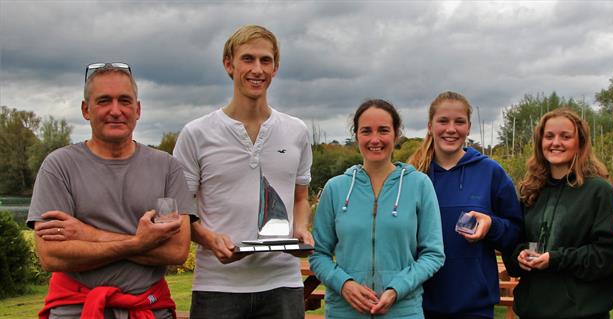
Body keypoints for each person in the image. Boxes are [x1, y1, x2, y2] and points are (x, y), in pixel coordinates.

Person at [27, 62, 194, 319]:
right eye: (104, 101)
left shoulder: (167, 167)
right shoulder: (59, 165)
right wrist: (139, 242)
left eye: (124, 101)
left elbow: (176, 251)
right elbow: (52, 255)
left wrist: (87, 234)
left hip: (149, 307)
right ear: (86, 109)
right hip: (75, 310)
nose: (115, 111)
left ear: (137, 109)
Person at [172, 25, 313, 319]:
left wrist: (300, 229)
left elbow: (301, 198)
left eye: (265, 60)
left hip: (282, 283)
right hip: (217, 286)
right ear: (229, 64)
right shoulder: (196, 134)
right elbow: (181, 212)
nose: (257, 69)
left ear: (276, 67)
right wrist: (210, 239)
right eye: (247, 59)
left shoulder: (296, 131)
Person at [310, 99, 445, 318]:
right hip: (344, 311)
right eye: (366, 131)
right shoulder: (336, 188)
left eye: (383, 130)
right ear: (356, 136)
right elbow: (318, 254)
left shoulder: (419, 185)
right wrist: (344, 284)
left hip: (402, 311)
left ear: (396, 134)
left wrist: (396, 289)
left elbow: (433, 254)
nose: (375, 139)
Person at [405, 91, 522, 319]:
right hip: (418, 302)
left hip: (474, 305)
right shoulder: (413, 175)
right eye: (443, 121)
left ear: (468, 127)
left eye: (459, 122)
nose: (451, 129)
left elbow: (516, 232)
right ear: (430, 126)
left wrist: (491, 225)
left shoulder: (490, 172)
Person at [507, 108, 613, 319]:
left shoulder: (599, 192)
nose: (556, 142)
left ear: (580, 142)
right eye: (549, 136)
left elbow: (608, 256)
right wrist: (522, 255)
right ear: (540, 142)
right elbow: (520, 244)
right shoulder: (531, 190)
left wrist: (556, 259)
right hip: (532, 310)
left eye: (565, 136)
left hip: (581, 313)